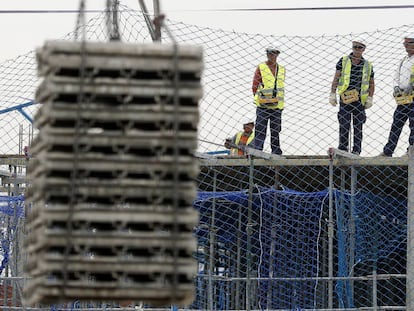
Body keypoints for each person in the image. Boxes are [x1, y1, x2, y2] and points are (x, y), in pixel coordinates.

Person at [329, 38, 375, 155]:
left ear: (364, 49)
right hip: (345, 98)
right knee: (344, 124)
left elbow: (371, 82)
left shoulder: (368, 65)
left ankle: (356, 150)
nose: (357, 50)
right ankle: (343, 149)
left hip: (360, 100)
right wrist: (333, 93)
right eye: (355, 47)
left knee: (358, 126)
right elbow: (336, 78)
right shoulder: (344, 61)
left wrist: (370, 97)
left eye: (359, 47)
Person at [379, 33, 414, 157]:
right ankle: (388, 151)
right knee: (396, 123)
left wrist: (412, 85)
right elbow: (396, 75)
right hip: (403, 98)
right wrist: (396, 87)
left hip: (413, 96)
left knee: (413, 124)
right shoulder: (403, 60)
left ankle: (411, 150)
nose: (405, 46)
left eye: (408, 43)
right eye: (404, 43)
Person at [252, 46, 285, 155]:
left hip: (277, 106)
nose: (272, 56)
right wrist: (261, 98)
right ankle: (257, 150)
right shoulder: (261, 67)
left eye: (274, 53)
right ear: (267, 54)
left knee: (275, 130)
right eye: (270, 53)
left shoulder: (281, 69)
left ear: (277, 55)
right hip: (263, 105)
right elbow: (255, 85)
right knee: (260, 129)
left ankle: (276, 152)